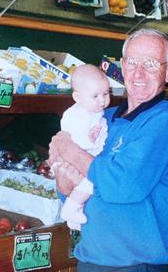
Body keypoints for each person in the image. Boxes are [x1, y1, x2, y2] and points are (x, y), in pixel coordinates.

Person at [48, 28, 168, 271]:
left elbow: (123, 185)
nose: (139, 73)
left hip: (136, 264)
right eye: (133, 63)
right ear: (122, 67)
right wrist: (64, 181)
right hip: (93, 258)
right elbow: (68, 184)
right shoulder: (104, 118)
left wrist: (69, 150)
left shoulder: (165, 120)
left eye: (150, 64)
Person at [51, 65, 110, 231]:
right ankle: (70, 207)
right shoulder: (76, 115)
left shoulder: (93, 111)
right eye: (96, 96)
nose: (102, 100)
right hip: (74, 162)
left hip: (85, 158)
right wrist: (89, 139)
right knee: (91, 184)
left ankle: (75, 214)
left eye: (106, 94)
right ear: (77, 97)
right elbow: (70, 143)